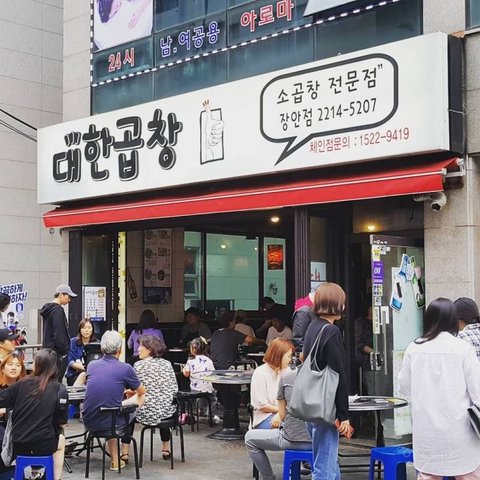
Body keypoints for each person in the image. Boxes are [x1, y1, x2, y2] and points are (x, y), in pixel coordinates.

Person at [398, 298, 480, 479]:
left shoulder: (414, 348)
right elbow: (477, 392)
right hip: (460, 431)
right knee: (468, 473)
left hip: (427, 431)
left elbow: (404, 386)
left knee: (428, 474)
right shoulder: (463, 349)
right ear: (453, 320)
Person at [302, 282, 350, 480]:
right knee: (324, 467)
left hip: (311, 403)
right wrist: (344, 415)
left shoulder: (312, 327)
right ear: (335, 305)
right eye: (342, 302)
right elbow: (338, 374)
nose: (344, 307)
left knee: (327, 461)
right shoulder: (331, 331)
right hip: (326, 408)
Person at [82, 330, 146, 470]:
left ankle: (115, 460)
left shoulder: (92, 365)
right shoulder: (126, 368)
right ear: (120, 349)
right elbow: (142, 391)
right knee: (138, 399)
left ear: (102, 348)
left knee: (111, 408)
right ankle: (124, 450)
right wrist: (131, 393)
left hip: (90, 421)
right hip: (113, 423)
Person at [0, 349, 68, 480]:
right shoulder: (60, 389)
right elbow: (62, 422)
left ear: (36, 365)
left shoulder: (21, 384)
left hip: (19, 444)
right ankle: (56, 478)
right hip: (44, 445)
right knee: (61, 441)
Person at [245, 367, 312, 480]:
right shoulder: (329, 377)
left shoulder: (287, 377)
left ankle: (268, 477)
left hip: (293, 439)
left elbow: (282, 415)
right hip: (321, 440)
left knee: (249, 438)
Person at [133, 335, 178, 461]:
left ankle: (124, 452)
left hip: (145, 413)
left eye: (140, 346)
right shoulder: (167, 364)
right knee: (163, 405)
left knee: (128, 412)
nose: (138, 349)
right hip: (167, 412)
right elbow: (174, 388)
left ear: (149, 349)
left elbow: (135, 388)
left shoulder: (138, 365)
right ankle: (166, 449)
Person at [250, 338, 294, 429]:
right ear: (278, 356)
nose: (290, 360)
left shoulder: (287, 371)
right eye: (288, 356)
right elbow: (262, 406)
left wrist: (281, 413)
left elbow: (292, 398)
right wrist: (281, 412)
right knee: (288, 429)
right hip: (264, 418)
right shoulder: (260, 373)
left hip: (285, 415)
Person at [40, 284, 77, 381]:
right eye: (68, 296)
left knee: (48, 381)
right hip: (56, 354)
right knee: (56, 382)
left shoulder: (48, 309)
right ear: (61, 295)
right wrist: (64, 351)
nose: (69, 300)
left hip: (47, 352)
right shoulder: (58, 311)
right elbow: (59, 334)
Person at [182, 337, 215, 414]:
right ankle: (209, 413)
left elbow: (186, 374)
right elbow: (213, 373)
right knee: (212, 399)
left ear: (192, 349)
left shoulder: (190, 361)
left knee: (199, 398)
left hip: (196, 388)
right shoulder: (209, 360)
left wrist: (183, 369)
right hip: (209, 388)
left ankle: (200, 410)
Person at [66, 318, 99, 386]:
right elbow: (70, 361)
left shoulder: (97, 344)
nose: (86, 330)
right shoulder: (73, 342)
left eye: (89, 328)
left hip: (93, 374)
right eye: (84, 328)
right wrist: (84, 368)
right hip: (74, 374)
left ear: (92, 329)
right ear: (80, 329)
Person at [354, 303, 374, 394]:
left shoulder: (379, 322)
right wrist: (374, 352)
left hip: (381, 360)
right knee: (371, 387)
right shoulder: (360, 323)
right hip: (367, 360)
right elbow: (358, 343)